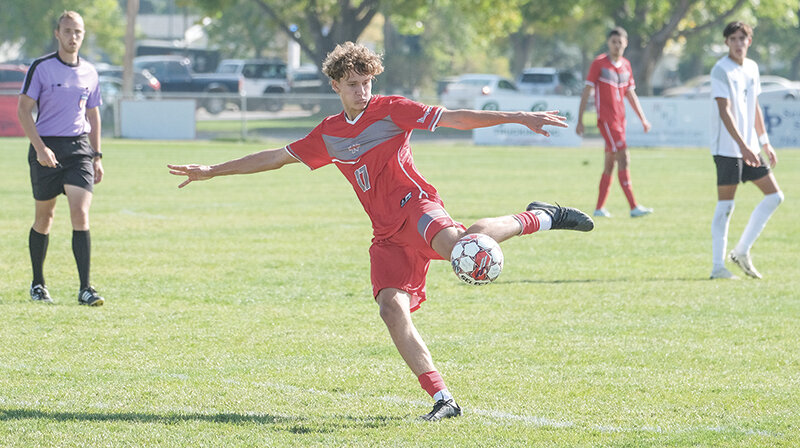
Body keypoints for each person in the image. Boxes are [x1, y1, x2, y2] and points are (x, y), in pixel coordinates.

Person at [169, 42, 594, 421]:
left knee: (467, 250)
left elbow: (455, 119)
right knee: (392, 309)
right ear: (335, 85)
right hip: (387, 235)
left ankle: (543, 216)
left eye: (367, 82)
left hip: (418, 207)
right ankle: (443, 398)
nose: (362, 90)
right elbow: (274, 157)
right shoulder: (329, 134)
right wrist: (213, 170)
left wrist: (517, 116)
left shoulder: (391, 109)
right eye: (353, 84)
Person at [17, 10, 105, 306]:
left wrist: (97, 155)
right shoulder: (41, 68)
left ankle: (85, 288)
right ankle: (38, 283)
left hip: (79, 148)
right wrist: (40, 148)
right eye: (67, 31)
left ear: (83, 34)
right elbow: (23, 109)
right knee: (45, 217)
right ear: (58, 33)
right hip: (47, 145)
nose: (73, 37)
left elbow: (93, 112)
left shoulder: (90, 72)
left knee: (80, 213)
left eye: (78, 32)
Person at [709, 21, 783, 280]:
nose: (738, 43)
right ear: (726, 42)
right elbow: (724, 110)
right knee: (726, 206)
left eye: (742, 38)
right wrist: (742, 147)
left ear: (749, 41)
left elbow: (754, 107)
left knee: (775, 197)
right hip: (727, 149)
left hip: (750, 148)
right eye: (733, 38)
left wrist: (764, 142)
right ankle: (717, 266)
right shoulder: (721, 70)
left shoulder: (752, 67)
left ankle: (741, 251)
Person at [576, 26, 653, 218]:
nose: (617, 45)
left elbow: (630, 93)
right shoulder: (599, 64)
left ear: (625, 43)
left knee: (610, 163)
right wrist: (580, 120)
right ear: (608, 43)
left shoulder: (626, 65)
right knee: (624, 157)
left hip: (620, 121)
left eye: (620, 42)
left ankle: (599, 208)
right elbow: (587, 91)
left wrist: (643, 118)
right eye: (613, 42)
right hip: (607, 120)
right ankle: (634, 207)